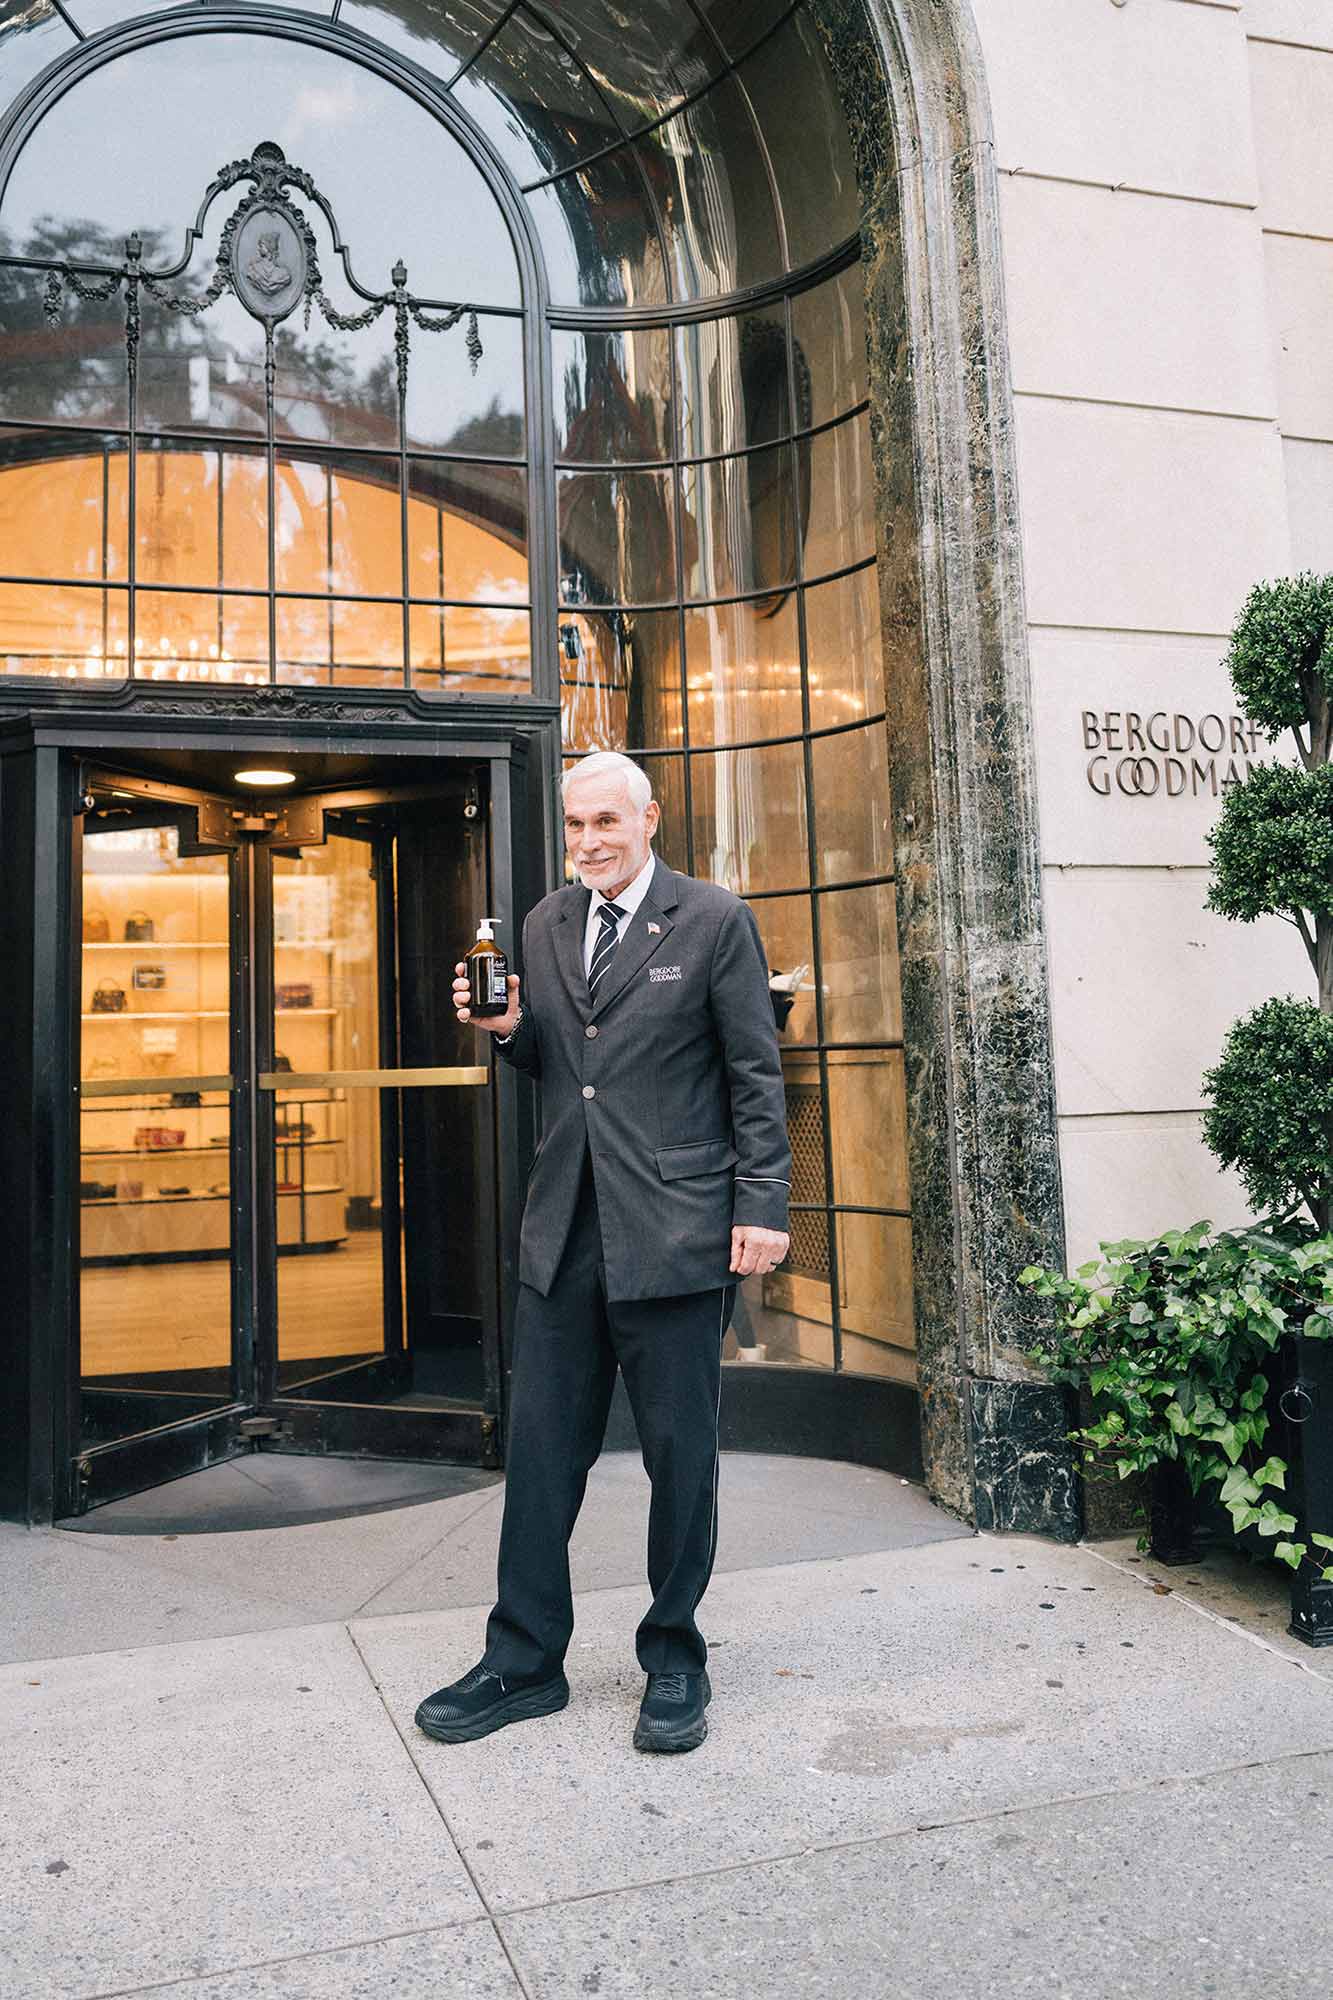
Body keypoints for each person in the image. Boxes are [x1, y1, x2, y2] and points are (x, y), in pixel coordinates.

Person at [415, 750, 790, 1754]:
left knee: (681, 1457)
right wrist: (505, 1030)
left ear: (648, 818)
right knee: (540, 1453)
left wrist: (762, 1204)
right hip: (565, 1229)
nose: (588, 840)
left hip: (676, 1228)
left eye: (606, 823)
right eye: (576, 824)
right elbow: (556, 1059)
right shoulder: (542, 923)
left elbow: (754, 1072)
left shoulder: (713, 919)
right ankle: (523, 1657)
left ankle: (674, 1654)